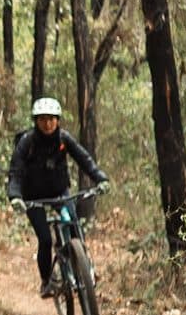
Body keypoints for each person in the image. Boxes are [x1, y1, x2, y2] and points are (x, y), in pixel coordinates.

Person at [7, 97, 110, 297]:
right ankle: (47, 281)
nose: (48, 124)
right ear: (36, 121)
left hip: (59, 193)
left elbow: (84, 159)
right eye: (43, 119)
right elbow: (16, 172)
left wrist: (100, 178)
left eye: (52, 119)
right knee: (45, 239)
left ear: (58, 120)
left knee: (72, 225)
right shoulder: (27, 142)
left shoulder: (64, 139)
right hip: (33, 198)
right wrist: (15, 196)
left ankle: (83, 266)